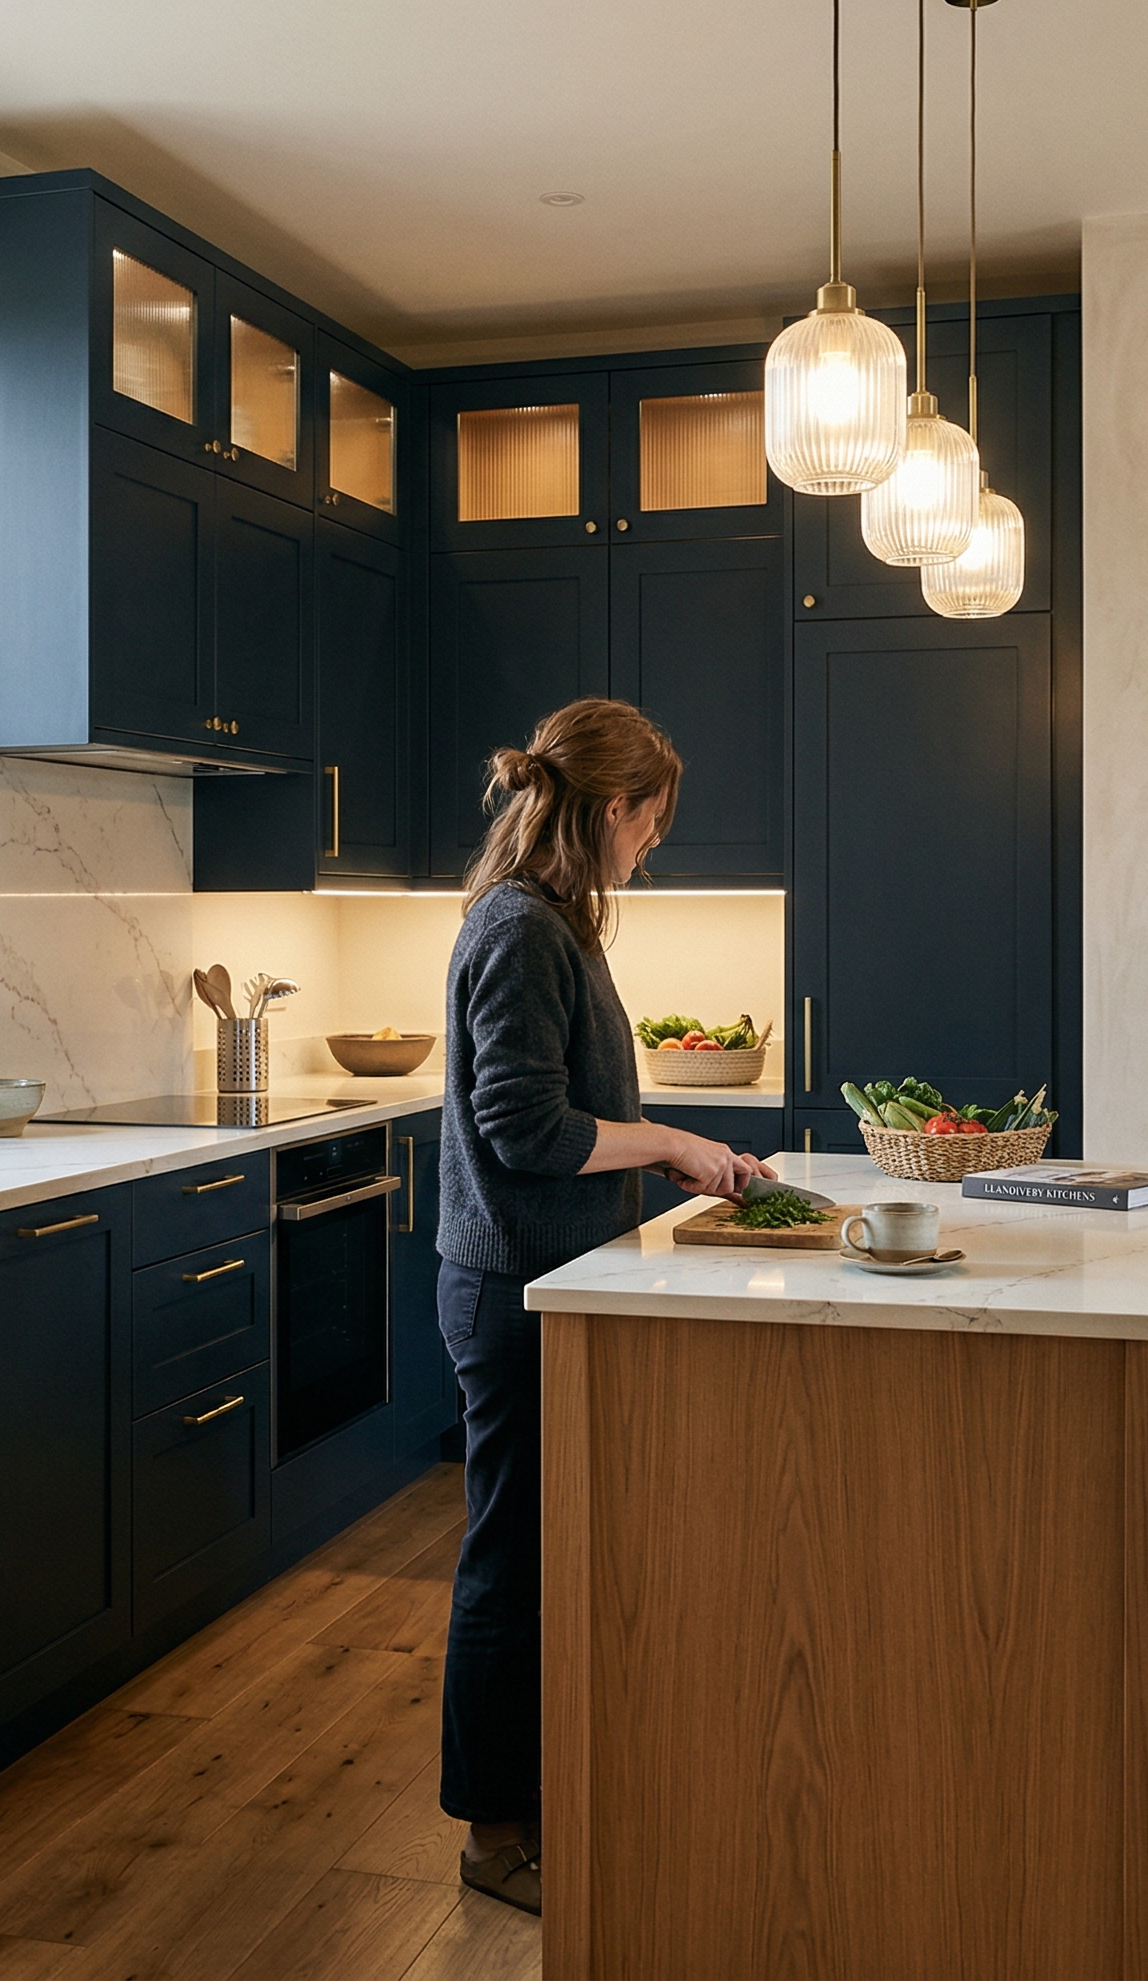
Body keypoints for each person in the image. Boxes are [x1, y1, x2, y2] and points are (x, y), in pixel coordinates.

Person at [435, 696, 776, 1916]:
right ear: (615, 807)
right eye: (650, 825)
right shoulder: (522, 930)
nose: (651, 848)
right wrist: (674, 1141)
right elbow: (524, 1129)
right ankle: (491, 1833)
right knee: (507, 1558)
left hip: (549, 1280)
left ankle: (545, 1792)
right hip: (510, 1290)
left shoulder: (549, 924)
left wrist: (676, 1157)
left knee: (541, 1553)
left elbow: (555, 1115)